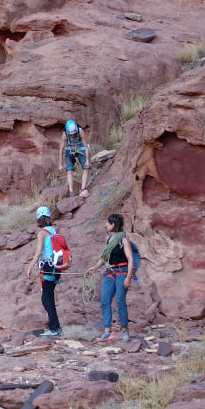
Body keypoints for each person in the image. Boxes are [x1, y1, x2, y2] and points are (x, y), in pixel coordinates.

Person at [86, 213, 133, 342]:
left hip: (122, 271)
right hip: (110, 272)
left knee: (120, 301)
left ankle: (125, 330)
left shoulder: (123, 240)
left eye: (108, 223)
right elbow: (104, 257)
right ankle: (108, 331)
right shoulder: (108, 239)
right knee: (105, 300)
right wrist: (95, 268)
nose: (106, 225)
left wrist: (128, 277)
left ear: (113, 225)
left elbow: (130, 259)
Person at [27, 206, 63, 338]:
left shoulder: (42, 233)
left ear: (38, 218)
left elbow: (38, 253)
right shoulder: (54, 230)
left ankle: (53, 329)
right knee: (47, 297)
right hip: (57, 267)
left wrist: (30, 266)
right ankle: (56, 326)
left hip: (47, 267)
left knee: (47, 298)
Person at [59, 119, 90, 197]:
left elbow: (86, 146)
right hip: (70, 149)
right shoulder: (65, 133)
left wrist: (87, 160)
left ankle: (83, 189)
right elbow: (61, 149)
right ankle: (71, 192)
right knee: (69, 170)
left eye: (73, 133)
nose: (72, 135)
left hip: (81, 148)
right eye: (71, 134)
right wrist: (60, 164)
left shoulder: (80, 131)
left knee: (86, 168)